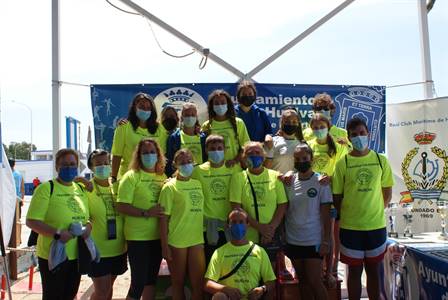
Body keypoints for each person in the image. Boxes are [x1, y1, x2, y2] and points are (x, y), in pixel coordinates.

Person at [332, 117, 394, 300]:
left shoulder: (380, 160)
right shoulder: (343, 163)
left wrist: (375, 210)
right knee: (354, 271)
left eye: (362, 133)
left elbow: (387, 191)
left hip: (376, 226)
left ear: (368, 134)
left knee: (374, 271)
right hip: (350, 228)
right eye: (354, 134)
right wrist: (349, 213)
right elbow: (336, 196)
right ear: (349, 138)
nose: (359, 137)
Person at [26, 148, 91, 300]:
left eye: (72, 164)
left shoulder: (80, 189)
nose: (69, 167)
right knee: (53, 296)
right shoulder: (46, 188)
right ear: (57, 167)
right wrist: (57, 234)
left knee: (70, 294)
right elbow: (31, 221)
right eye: (65, 164)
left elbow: (87, 217)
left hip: (76, 255)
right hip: (53, 256)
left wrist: (89, 226)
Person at [116, 139, 167, 300]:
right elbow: (121, 206)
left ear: (158, 155)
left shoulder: (162, 176)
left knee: (151, 281)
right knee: (138, 282)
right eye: (145, 152)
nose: (149, 155)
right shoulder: (131, 176)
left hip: (157, 236)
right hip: (138, 237)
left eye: (152, 152)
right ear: (138, 156)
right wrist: (146, 213)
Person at [284, 143, 332, 300]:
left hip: (313, 240)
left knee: (314, 281)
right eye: (297, 159)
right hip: (293, 240)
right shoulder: (289, 181)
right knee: (303, 282)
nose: (301, 161)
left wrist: (326, 241)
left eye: (304, 158)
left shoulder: (321, 182)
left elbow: (326, 216)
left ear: (311, 158)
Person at [159, 149, 205, 300]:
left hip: (196, 239)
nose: (186, 165)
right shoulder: (169, 187)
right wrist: (165, 247)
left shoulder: (197, 183)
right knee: (177, 283)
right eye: (182, 163)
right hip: (177, 241)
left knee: (198, 284)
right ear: (175, 165)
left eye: (189, 162)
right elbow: (163, 219)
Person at [229, 142, 287, 259]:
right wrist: (260, 227)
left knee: (270, 274)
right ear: (244, 158)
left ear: (264, 155)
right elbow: (237, 208)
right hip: (248, 237)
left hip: (271, 236)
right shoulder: (238, 178)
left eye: (257, 153)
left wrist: (270, 230)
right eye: (250, 153)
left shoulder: (275, 176)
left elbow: (282, 204)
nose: (254, 156)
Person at [308, 113, 349, 278]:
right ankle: (318, 268)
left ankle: (331, 269)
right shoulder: (308, 145)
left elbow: (342, 170)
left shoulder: (338, 147)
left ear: (328, 127)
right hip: (312, 196)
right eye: (316, 128)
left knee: (330, 233)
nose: (319, 130)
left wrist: (330, 178)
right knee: (314, 232)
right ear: (311, 130)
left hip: (330, 197)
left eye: (322, 127)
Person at [204, 209, 276, 300]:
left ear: (248, 225)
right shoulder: (219, 252)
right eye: (234, 222)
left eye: (241, 222)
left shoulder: (259, 251)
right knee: (219, 297)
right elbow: (207, 284)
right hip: (229, 298)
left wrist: (262, 289)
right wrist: (226, 290)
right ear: (228, 226)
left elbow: (271, 281)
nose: (238, 225)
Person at [191, 135, 241, 263]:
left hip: (229, 226)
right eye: (212, 148)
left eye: (219, 148)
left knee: (229, 265)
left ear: (225, 150)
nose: (216, 151)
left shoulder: (234, 167)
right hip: (207, 228)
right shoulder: (198, 170)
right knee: (211, 265)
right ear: (206, 150)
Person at [86, 149, 127, 300]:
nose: (103, 166)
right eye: (98, 164)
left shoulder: (117, 186)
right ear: (91, 167)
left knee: (108, 290)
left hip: (119, 249)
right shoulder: (86, 188)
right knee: (102, 292)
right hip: (98, 251)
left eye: (106, 163)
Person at [111, 92, 168, 180]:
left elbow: (162, 156)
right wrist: (113, 177)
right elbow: (116, 155)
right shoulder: (123, 127)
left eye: (148, 108)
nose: (145, 110)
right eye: (141, 107)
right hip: (128, 177)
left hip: (152, 179)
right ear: (134, 107)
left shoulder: (160, 129)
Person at [202, 90, 250, 167]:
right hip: (213, 170)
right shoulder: (206, 125)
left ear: (228, 104)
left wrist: (235, 160)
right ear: (212, 106)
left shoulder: (238, 123)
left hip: (235, 169)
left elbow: (245, 147)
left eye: (223, 102)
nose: (220, 105)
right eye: (216, 103)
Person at [166, 102, 207, 177]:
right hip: (182, 180)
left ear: (196, 117)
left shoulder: (203, 137)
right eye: (187, 115)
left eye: (192, 115)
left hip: (201, 178)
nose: (190, 117)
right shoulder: (174, 137)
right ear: (181, 117)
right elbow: (170, 161)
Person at [264, 108, 304, 174]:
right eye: (287, 122)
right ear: (282, 122)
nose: (291, 124)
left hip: (294, 184)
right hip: (275, 183)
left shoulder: (302, 145)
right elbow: (265, 169)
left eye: (294, 122)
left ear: (298, 123)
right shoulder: (272, 142)